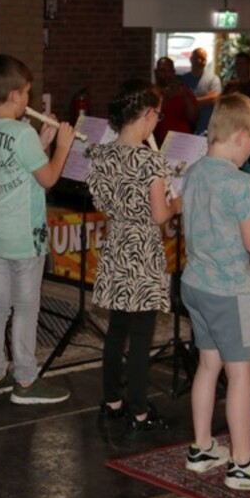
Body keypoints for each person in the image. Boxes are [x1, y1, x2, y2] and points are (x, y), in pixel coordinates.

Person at [180, 93, 250, 491]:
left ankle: (202, 447)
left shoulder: (194, 171)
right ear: (241, 136)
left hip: (195, 284)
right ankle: (242, 464)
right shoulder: (240, 183)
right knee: (241, 374)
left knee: (208, 365)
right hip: (229, 291)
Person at [0, 54, 76, 404]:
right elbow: (48, 179)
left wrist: (42, 145)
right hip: (24, 237)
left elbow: (17, 169)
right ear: (15, 95)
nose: (28, 101)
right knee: (25, 307)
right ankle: (26, 381)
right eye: (27, 94)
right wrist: (62, 147)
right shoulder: (22, 133)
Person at [87, 79, 181, 433]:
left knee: (117, 330)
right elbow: (159, 215)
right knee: (141, 336)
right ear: (146, 114)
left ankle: (112, 400)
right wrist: (177, 203)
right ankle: (139, 412)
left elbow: (101, 200)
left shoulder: (102, 154)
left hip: (116, 245)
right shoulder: (149, 160)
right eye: (158, 115)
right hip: (142, 250)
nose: (157, 121)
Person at [153, 56, 198, 143]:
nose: (166, 74)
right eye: (163, 71)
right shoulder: (150, 93)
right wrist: (165, 98)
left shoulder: (183, 92)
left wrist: (185, 96)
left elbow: (194, 118)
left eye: (169, 71)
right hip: (156, 144)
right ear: (156, 72)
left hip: (181, 143)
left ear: (173, 72)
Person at [180, 47, 222, 135]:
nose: (199, 61)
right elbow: (179, 102)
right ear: (191, 59)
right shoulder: (182, 80)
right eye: (196, 58)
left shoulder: (213, 79)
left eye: (202, 59)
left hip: (206, 129)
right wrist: (205, 99)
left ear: (206, 61)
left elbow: (214, 99)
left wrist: (190, 101)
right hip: (185, 128)